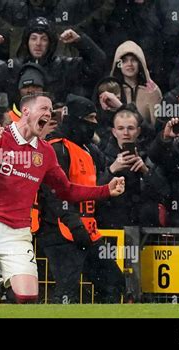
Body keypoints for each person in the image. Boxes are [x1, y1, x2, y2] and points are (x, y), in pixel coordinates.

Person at [0, 93, 125, 304]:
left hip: (17, 231)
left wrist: (105, 190)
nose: (49, 113)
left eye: (51, 110)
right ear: (26, 111)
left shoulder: (45, 152)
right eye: (44, 108)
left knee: (27, 298)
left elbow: (67, 191)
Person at [36, 93, 125, 304]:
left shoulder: (88, 149)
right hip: (60, 230)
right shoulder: (57, 148)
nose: (95, 123)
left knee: (113, 283)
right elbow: (54, 193)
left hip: (87, 228)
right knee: (67, 293)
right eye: (91, 118)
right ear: (77, 120)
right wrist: (73, 222)